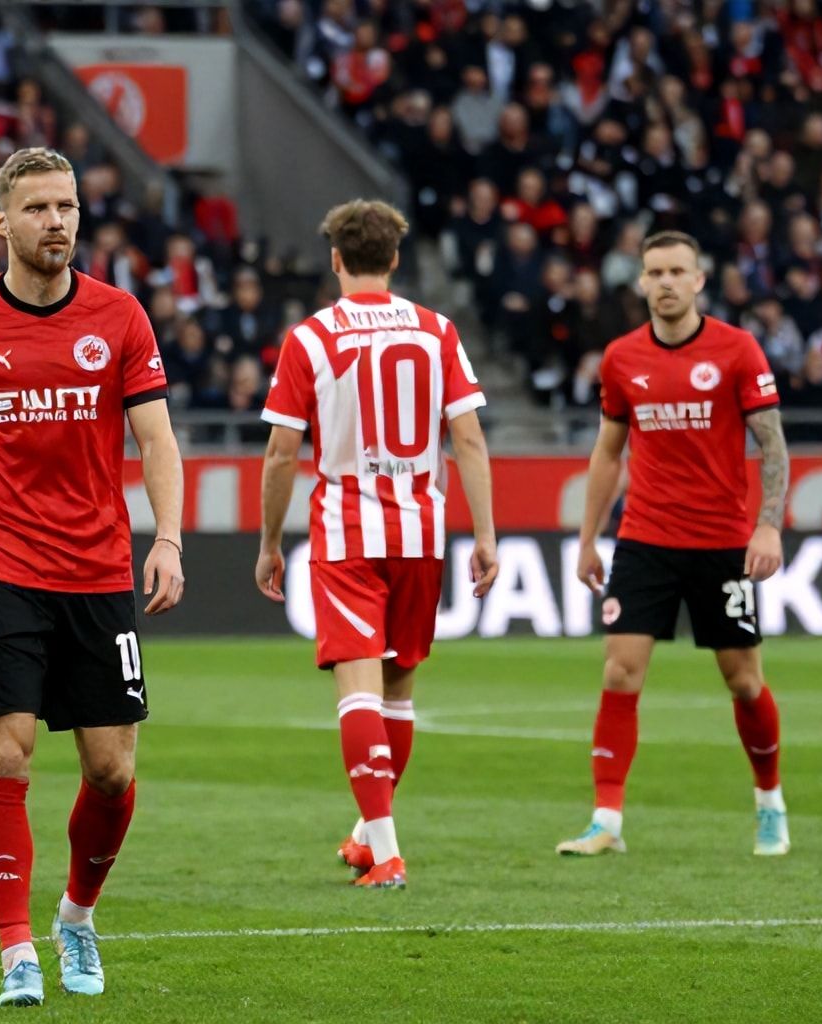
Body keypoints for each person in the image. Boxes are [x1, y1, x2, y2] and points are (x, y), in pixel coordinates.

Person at [0, 147, 185, 1007]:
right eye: (39, 209)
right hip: (1, 568)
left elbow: (157, 439)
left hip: (98, 572)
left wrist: (166, 537)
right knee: (6, 753)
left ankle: (77, 917)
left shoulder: (120, 316)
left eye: (67, 207)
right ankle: (17, 950)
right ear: (1, 224)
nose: (57, 221)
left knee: (111, 772)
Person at [254, 199, 500, 891]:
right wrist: (484, 536)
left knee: (358, 691)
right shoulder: (438, 331)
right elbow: (470, 438)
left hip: (349, 532)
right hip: (423, 534)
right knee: (397, 691)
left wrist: (270, 541)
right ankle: (369, 835)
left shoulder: (311, 338)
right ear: (394, 259)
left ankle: (388, 855)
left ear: (336, 259)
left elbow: (280, 453)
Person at [559, 231, 791, 858]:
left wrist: (767, 524)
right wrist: (587, 540)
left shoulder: (738, 350)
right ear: (640, 282)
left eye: (676, 271)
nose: (664, 282)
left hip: (721, 544)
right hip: (645, 539)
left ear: (698, 281)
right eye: (654, 271)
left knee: (743, 681)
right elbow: (608, 454)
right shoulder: (621, 359)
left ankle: (769, 801)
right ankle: (606, 819)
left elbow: (771, 442)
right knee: (619, 670)